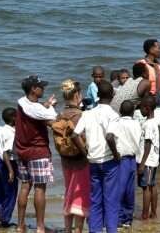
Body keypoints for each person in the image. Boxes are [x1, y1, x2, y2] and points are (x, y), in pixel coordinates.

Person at [71, 81, 120, 233]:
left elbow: (74, 135)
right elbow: (110, 137)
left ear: (97, 95)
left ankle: (95, 230)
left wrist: (85, 153)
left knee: (95, 199)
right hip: (108, 161)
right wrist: (116, 154)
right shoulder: (113, 115)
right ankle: (111, 230)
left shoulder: (87, 113)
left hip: (92, 161)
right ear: (112, 95)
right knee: (110, 200)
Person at [15, 75, 58, 233]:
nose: (43, 88)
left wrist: (45, 105)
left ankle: (20, 225)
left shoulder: (22, 103)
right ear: (33, 89)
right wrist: (51, 106)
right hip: (38, 151)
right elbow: (52, 119)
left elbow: (36, 111)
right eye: (40, 86)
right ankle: (40, 227)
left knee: (25, 187)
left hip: (22, 150)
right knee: (40, 189)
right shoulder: (37, 109)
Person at [56, 80, 88, 233]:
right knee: (80, 194)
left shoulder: (60, 114)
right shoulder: (80, 115)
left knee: (68, 191)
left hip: (65, 159)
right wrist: (87, 154)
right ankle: (78, 230)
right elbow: (82, 137)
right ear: (77, 95)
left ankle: (68, 229)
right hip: (80, 160)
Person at [105, 101, 142, 228]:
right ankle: (127, 218)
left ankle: (119, 218)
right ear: (132, 112)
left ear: (120, 111)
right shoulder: (137, 123)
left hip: (121, 159)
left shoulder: (117, 123)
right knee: (129, 191)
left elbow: (109, 137)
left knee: (119, 189)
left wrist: (115, 154)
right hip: (133, 159)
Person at [0, 107, 17, 229]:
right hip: (8, 163)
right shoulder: (11, 133)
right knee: (11, 193)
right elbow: (6, 153)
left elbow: (0, 151)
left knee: (0, 190)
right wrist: (11, 170)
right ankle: (5, 220)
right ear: (13, 118)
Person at [137, 96, 160, 220]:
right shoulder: (152, 122)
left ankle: (145, 214)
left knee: (146, 187)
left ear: (147, 108)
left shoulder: (149, 124)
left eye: (141, 108)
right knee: (152, 185)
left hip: (148, 161)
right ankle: (153, 212)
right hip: (152, 160)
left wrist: (142, 164)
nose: (140, 110)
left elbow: (148, 144)